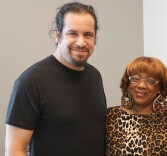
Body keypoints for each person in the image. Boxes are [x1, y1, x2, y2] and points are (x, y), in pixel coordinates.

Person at [5, 2, 106, 156]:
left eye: (88, 34)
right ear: (57, 35)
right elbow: (15, 150)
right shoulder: (31, 82)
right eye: (72, 33)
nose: (81, 42)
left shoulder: (95, 76)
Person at [105, 56, 167, 155]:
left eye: (150, 81)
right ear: (128, 83)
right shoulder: (110, 116)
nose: (141, 85)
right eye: (135, 79)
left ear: (160, 87)